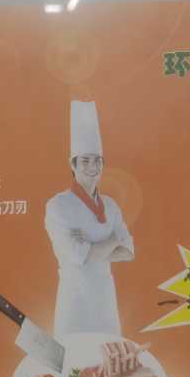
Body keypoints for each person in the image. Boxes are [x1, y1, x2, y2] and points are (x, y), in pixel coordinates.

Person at [44, 101, 134, 337]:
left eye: (97, 160)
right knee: (73, 357)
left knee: (110, 355)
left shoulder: (111, 206)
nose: (92, 166)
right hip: (75, 300)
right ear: (72, 165)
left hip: (105, 298)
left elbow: (128, 252)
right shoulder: (58, 206)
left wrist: (91, 247)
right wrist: (113, 240)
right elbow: (79, 256)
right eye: (85, 160)